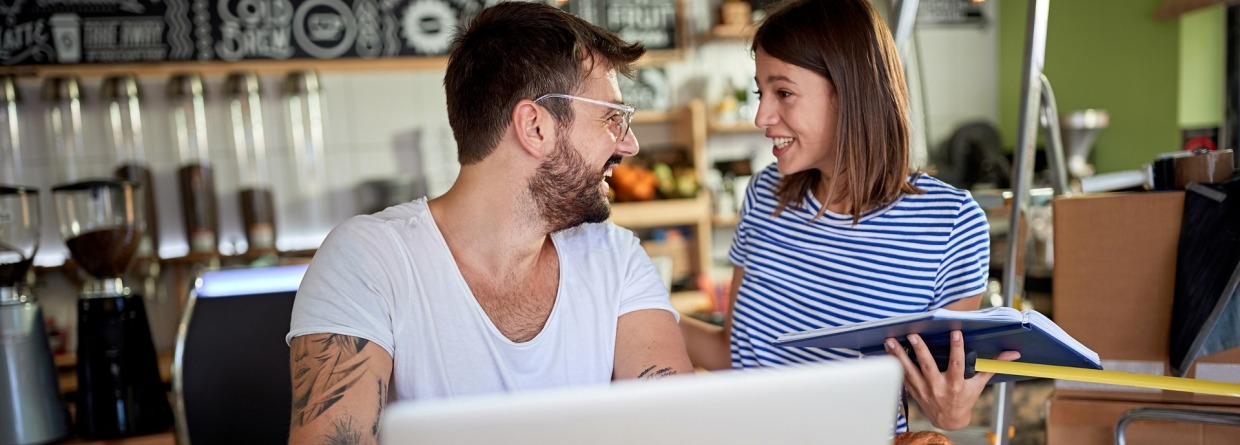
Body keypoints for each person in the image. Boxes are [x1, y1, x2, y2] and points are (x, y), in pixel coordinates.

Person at [286, 3, 692, 443]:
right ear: (535, 126)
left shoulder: (615, 257)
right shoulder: (367, 262)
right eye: (613, 118)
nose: (629, 145)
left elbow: (676, 429)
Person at [679, 0, 1020, 433]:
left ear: (849, 92)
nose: (762, 116)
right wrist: (634, 307)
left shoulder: (949, 223)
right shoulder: (766, 194)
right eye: (759, 93)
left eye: (783, 93)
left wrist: (951, 412)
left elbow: (941, 395)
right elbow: (737, 355)